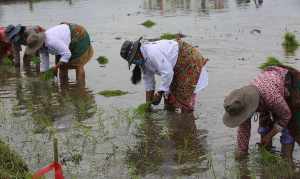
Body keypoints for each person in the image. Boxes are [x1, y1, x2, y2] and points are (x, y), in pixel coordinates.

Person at [223, 66, 300, 164]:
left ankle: (287, 161)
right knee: (264, 128)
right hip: (264, 95)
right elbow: (243, 131)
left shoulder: (272, 98)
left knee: (288, 129)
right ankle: (267, 158)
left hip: (284, 85)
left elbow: (286, 116)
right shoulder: (241, 103)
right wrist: (241, 157)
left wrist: (270, 135)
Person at [120, 37, 208, 113]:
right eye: (132, 61)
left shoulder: (152, 52)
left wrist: (159, 93)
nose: (135, 62)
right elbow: (149, 83)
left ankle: (187, 123)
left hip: (187, 61)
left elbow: (168, 72)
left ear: (137, 51)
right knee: (169, 101)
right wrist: (148, 105)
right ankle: (175, 123)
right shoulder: (143, 62)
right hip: (175, 67)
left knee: (183, 98)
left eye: (134, 59)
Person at [24, 22, 93, 84]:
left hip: (77, 34)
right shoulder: (41, 47)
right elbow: (45, 61)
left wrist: (55, 68)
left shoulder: (51, 41)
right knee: (62, 67)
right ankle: (64, 87)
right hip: (63, 40)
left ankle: (80, 88)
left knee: (78, 64)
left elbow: (67, 54)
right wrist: (44, 74)